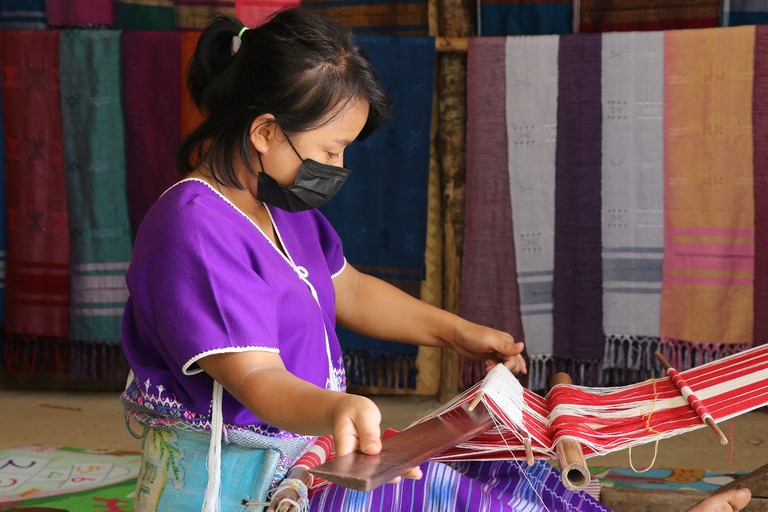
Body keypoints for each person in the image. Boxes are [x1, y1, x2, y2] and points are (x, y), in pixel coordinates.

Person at [119, 7, 751, 512]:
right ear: (263, 132)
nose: (339, 168)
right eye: (331, 149)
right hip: (243, 484)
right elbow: (256, 380)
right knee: (444, 494)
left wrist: (459, 332)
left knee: (509, 471)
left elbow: (351, 290)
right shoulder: (194, 228)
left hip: (309, 453)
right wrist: (337, 408)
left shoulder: (280, 207)